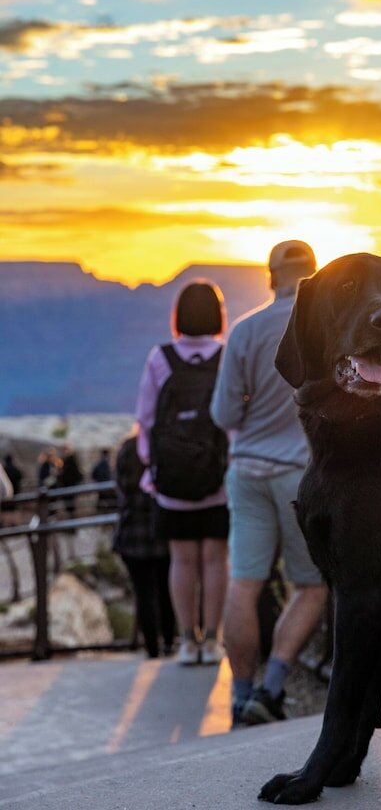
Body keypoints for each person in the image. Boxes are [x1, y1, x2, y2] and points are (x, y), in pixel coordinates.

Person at [210, 240, 327, 727]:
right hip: (301, 474)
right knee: (312, 584)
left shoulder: (245, 330)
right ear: (315, 275)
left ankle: (239, 694)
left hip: (247, 471)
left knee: (244, 583)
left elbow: (223, 413)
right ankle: (273, 686)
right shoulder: (324, 326)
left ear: (270, 276)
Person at [136, 279, 229, 666]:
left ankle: (187, 643)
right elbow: (231, 418)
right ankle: (212, 641)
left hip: (171, 481)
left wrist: (151, 465)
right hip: (217, 480)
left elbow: (146, 417)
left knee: (182, 561)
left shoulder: (160, 358)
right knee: (214, 560)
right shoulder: (225, 357)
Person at [112, 428, 175, 658]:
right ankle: (170, 640)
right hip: (161, 529)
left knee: (143, 594)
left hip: (132, 533)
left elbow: (120, 489)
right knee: (166, 590)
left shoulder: (126, 449)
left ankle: (151, 647)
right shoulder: (163, 444)